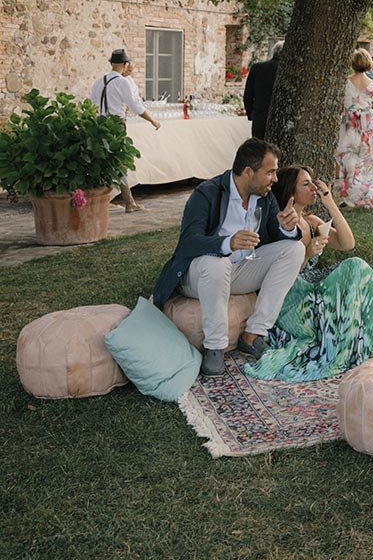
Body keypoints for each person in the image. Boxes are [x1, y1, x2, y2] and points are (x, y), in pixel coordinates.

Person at [244, 164, 373, 381]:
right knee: (354, 270)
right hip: (292, 300)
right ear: (290, 192)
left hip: (314, 290)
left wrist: (330, 203)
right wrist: (306, 254)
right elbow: (279, 276)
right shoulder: (277, 224)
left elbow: (347, 243)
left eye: (313, 183)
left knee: (355, 265)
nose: (313, 187)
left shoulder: (312, 222)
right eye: (306, 184)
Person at [152, 137, 305, 375]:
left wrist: (288, 227)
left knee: (295, 249)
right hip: (200, 274)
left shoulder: (265, 196)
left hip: (240, 270)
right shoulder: (207, 193)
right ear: (248, 171)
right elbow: (189, 242)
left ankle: (254, 334)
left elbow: (276, 233)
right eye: (270, 172)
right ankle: (215, 347)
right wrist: (227, 242)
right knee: (216, 262)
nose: (275, 179)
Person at [87, 48, 161, 213]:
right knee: (118, 161)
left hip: (99, 124)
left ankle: (105, 202)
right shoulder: (123, 82)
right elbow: (136, 106)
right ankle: (129, 203)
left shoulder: (99, 81)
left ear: (112, 63)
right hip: (115, 123)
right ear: (125, 64)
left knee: (102, 160)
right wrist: (153, 121)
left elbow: (91, 105)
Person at [334, 48, 373, 208]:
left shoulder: (345, 82)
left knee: (348, 159)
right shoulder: (372, 85)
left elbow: (339, 108)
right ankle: (366, 198)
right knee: (368, 161)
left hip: (349, 124)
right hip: (367, 125)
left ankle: (348, 196)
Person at [243, 41, 283, 139]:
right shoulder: (288, 70)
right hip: (280, 119)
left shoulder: (257, 68)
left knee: (260, 149)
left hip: (260, 117)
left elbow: (248, 95)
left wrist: (252, 115)